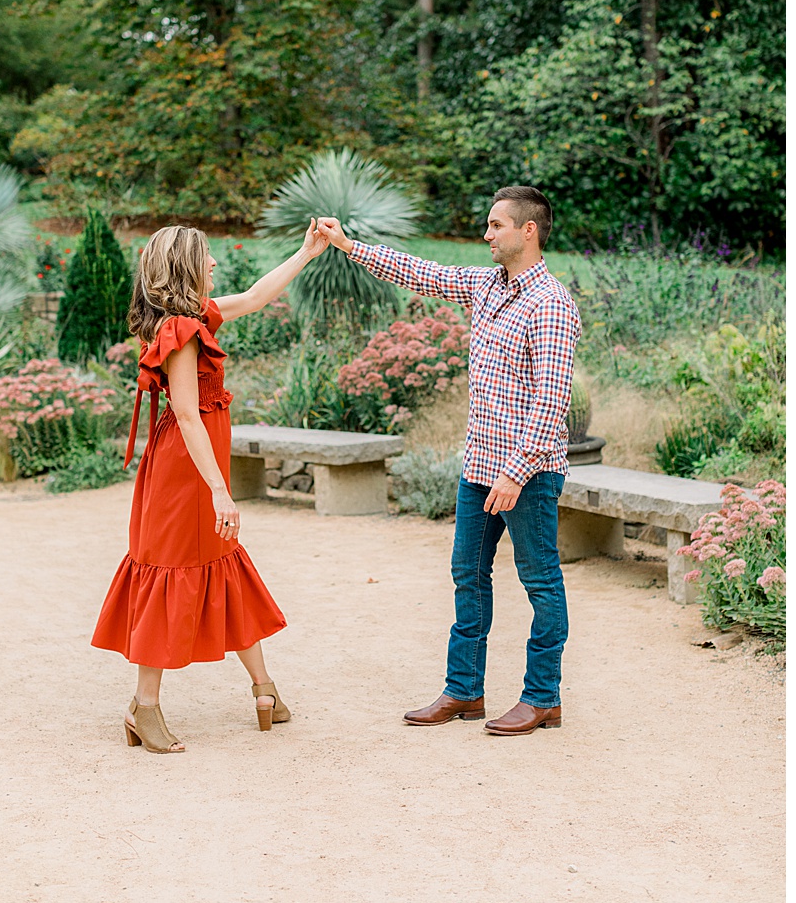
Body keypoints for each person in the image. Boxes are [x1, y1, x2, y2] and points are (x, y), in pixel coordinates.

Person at [314, 185, 581, 736]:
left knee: (541, 583)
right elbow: (419, 272)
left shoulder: (551, 304)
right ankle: (464, 692)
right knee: (468, 578)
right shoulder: (487, 286)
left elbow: (552, 403)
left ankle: (543, 698)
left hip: (525, 475)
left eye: (496, 226)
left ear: (528, 230)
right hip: (478, 467)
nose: (486, 235)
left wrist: (516, 471)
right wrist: (346, 244)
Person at [91, 219, 330, 753]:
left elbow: (253, 297)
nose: (216, 265)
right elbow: (187, 415)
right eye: (207, 258)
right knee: (172, 571)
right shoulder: (178, 330)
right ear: (184, 269)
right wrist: (221, 490)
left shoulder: (192, 317)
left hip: (197, 466)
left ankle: (265, 688)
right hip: (187, 471)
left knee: (221, 565)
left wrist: (305, 253)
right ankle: (144, 707)